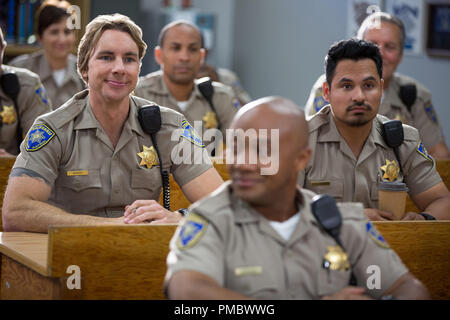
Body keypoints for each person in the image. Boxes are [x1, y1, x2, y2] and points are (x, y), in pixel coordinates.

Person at [164, 96, 430, 300]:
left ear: (301, 159)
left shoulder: (341, 224)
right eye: (235, 147)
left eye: (261, 150)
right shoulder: (210, 220)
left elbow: (407, 288)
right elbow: (188, 291)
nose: (243, 163)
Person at [1, 14, 224, 233]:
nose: (119, 68)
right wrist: (110, 227)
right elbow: (15, 212)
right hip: (69, 258)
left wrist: (178, 217)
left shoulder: (169, 126)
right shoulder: (53, 130)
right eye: (106, 57)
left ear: (138, 68)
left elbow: (223, 205)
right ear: (84, 68)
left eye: (129, 59)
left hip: (145, 256)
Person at [298, 39, 450, 221]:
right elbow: (277, 210)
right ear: (327, 92)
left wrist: (424, 219)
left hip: (388, 247)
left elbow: (442, 201)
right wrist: (352, 217)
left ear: (380, 89)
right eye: (346, 86)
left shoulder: (404, 141)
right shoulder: (299, 141)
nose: (359, 97)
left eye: (368, 86)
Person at [304, 12, 449, 159]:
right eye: (371, 45)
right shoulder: (330, 87)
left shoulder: (415, 94)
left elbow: (439, 152)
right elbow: (308, 143)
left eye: (390, 47)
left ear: (400, 55)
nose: (379, 53)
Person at [134, 20, 239, 153]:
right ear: (159, 55)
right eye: (176, 48)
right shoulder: (137, 94)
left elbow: (241, 147)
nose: (184, 57)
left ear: (202, 57)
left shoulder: (219, 97)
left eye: (193, 49)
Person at [9, 0, 85, 109]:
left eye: (67, 32)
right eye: (54, 32)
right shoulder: (19, 69)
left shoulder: (85, 71)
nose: (62, 39)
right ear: (39, 37)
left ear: (75, 36)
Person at [0, 27, 51, 156]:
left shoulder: (26, 85)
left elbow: (45, 150)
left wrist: (12, 163)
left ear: (2, 48)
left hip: (11, 173)